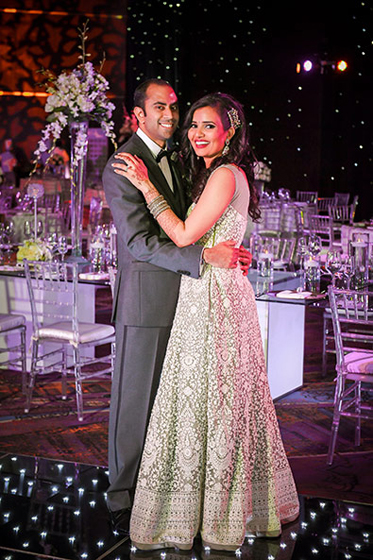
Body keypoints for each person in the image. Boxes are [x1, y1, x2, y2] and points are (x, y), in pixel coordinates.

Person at [112, 92, 300, 551]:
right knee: (212, 402)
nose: (195, 132)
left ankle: (210, 511)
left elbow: (181, 233)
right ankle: (210, 503)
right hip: (209, 290)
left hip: (214, 297)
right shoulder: (222, 173)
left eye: (208, 125)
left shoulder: (223, 174)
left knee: (209, 401)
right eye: (192, 124)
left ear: (230, 131)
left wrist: (147, 185)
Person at [102, 79, 251, 536]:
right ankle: (122, 494)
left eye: (173, 106)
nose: (170, 115)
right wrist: (203, 256)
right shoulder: (124, 164)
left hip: (193, 299)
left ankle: (162, 489)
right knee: (135, 401)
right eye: (158, 107)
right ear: (137, 115)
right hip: (148, 300)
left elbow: (202, 218)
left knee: (175, 406)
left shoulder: (187, 160)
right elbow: (138, 241)